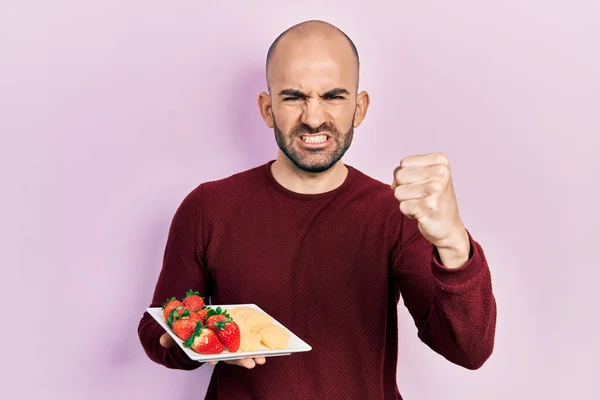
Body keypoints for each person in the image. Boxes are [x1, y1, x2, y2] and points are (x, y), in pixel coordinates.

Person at [137, 19, 497, 400]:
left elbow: (468, 350)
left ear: (359, 109)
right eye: (293, 97)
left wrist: (454, 243)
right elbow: (157, 325)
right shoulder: (207, 207)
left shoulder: (395, 214)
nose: (312, 117)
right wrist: (195, 341)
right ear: (267, 108)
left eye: (333, 96)